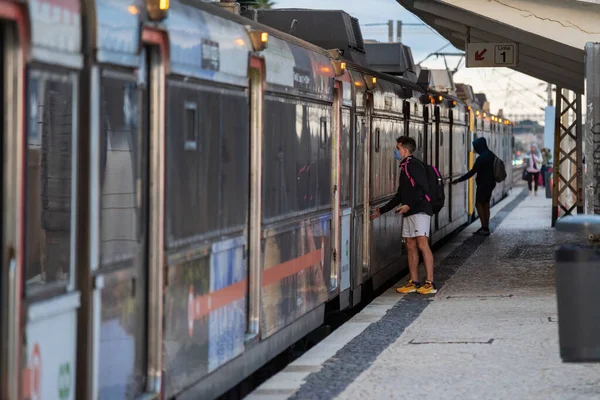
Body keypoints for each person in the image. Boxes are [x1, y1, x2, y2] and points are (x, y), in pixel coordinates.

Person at [370, 136, 436, 295]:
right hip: (410, 211)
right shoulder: (405, 166)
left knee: (422, 244)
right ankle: (414, 281)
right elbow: (401, 195)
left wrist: (409, 205)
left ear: (405, 150)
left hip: (420, 211)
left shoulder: (414, 165)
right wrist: (382, 210)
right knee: (410, 244)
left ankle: (430, 283)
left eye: (398, 148)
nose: (396, 151)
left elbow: (423, 189)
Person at [452, 137, 495, 236]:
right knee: (486, 204)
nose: (474, 149)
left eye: (475, 147)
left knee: (479, 204)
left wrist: (459, 180)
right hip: (491, 184)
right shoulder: (491, 155)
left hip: (483, 184)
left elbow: (472, 172)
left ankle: (484, 227)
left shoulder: (482, 158)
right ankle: (486, 227)